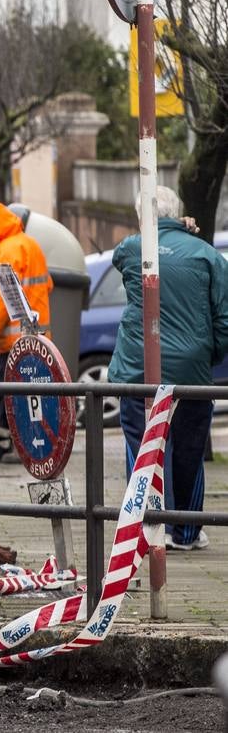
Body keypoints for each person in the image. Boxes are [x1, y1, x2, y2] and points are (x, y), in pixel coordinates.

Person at [109, 186, 228, 551]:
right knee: (190, 449)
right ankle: (187, 532)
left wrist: (158, 231)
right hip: (192, 370)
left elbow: (120, 256)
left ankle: (147, 527)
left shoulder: (133, 248)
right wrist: (205, 355)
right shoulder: (209, 255)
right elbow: (223, 319)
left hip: (139, 370)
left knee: (145, 448)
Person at [0, 199, 53, 460]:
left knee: (5, 389)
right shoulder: (30, 245)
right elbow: (47, 285)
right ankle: (31, 444)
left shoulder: (6, 251)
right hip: (36, 334)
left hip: (13, 339)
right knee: (30, 391)